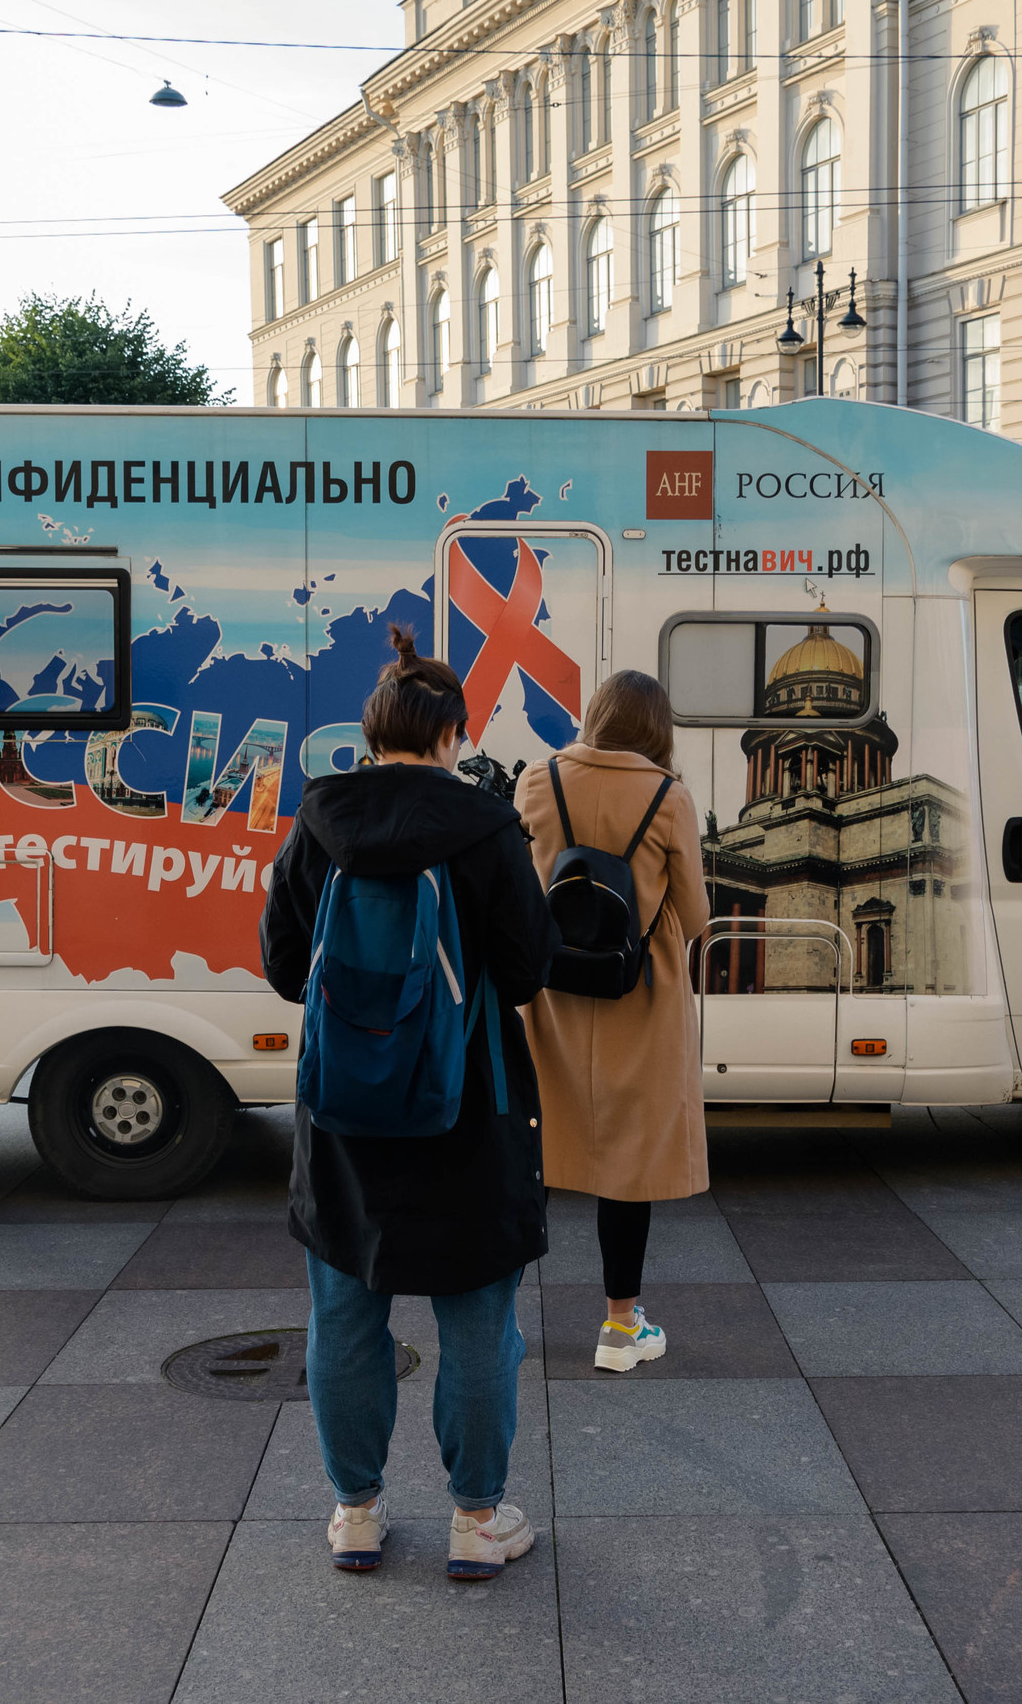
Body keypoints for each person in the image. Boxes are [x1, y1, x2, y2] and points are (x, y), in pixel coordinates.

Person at [260, 626, 558, 1582]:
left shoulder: (318, 820)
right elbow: (524, 968)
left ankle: (356, 1510)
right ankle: (477, 1519)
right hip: (468, 1109)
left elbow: (280, 967)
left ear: (371, 729)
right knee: (477, 1321)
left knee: (346, 1312)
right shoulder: (487, 825)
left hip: (346, 1113)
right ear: (452, 735)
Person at [516, 672, 711, 1374]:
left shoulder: (538, 780)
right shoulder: (670, 796)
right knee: (627, 1167)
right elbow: (694, 919)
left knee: (534, 1155)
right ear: (658, 727)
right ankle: (620, 1328)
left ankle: (497, 1323)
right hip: (641, 996)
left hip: (552, 994)